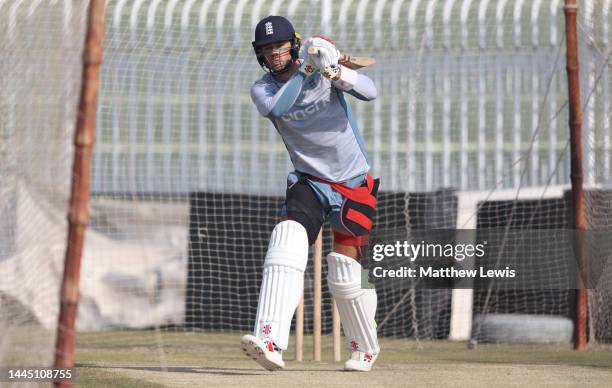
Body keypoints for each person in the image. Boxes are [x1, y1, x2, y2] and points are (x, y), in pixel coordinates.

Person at [240, 15, 380, 372]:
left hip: (353, 181)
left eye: (280, 45)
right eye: (267, 48)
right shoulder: (263, 90)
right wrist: (305, 70)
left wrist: (334, 71)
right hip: (310, 180)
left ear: (294, 43)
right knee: (287, 235)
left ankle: (365, 347)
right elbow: (280, 108)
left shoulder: (322, 75)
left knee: (346, 271)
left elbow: (369, 91)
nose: (274, 53)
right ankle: (269, 340)